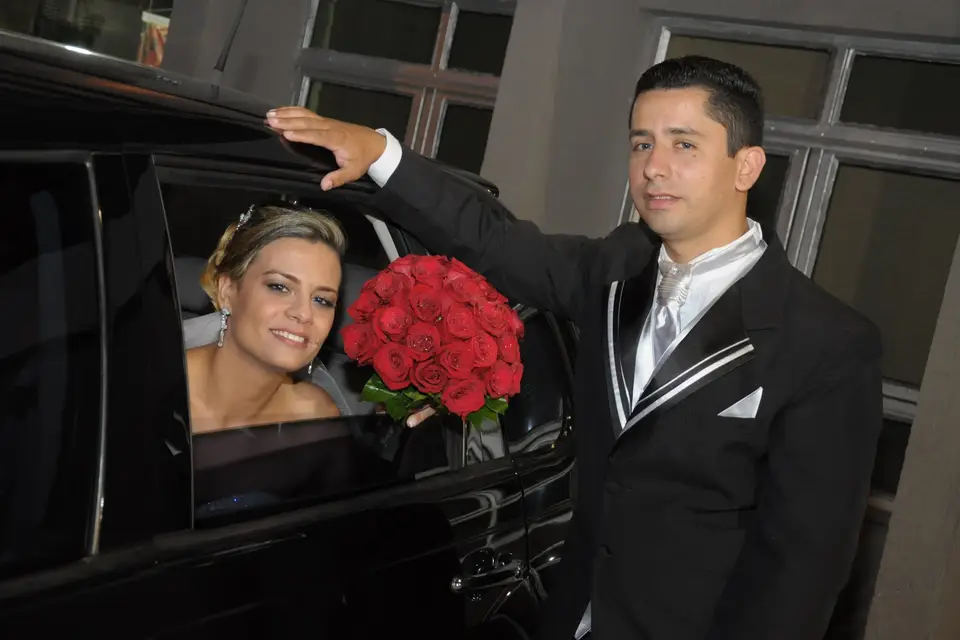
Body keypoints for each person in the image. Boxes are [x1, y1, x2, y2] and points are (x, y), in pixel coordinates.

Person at [265, 55, 883, 640]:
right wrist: (381, 155)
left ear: (746, 166)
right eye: (641, 143)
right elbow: (496, 240)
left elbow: (801, 570)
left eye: (684, 144)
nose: (653, 167)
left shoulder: (825, 343)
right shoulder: (617, 266)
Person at [186, 204, 345, 434]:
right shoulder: (152, 385)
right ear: (227, 291)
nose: (304, 313)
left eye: (322, 300)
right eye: (279, 287)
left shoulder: (316, 417)